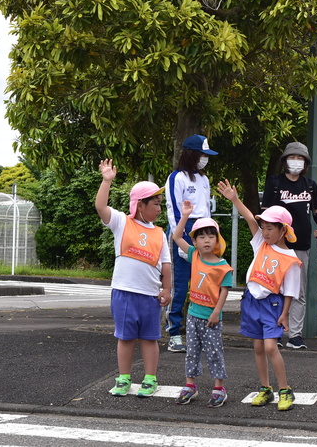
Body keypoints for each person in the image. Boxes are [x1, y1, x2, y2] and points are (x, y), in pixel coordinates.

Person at [217, 179, 300, 411]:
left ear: (283, 230)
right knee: (258, 348)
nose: (264, 231)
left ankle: (285, 390)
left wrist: (284, 315)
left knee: (271, 347)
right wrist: (234, 199)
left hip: (272, 305)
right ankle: (265, 389)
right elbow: (249, 218)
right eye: (263, 227)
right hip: (251, 301)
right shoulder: (260, 243)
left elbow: (291, 292)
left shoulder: (291, 259)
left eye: (270, 228)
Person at [95, 159, 171, 398]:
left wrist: (167, 290)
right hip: (124, 292)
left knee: (150, 339)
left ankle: (150, 379)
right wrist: (107, 181)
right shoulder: (122, 222)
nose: (159, 209)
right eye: (156, 204)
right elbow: (100, 207)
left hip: (150, 295)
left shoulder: (159, 233)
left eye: (161, 204)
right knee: (125, 338)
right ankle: (124, 378)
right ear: (140, 205)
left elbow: (166, 265)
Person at [261, 142, 317, 350]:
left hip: (302, 244)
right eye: (292, 157)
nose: (295, 162)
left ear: (305, 163)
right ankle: (275, 331)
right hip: (278, 246)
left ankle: (295, 335)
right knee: (276, 289)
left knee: (298, 291)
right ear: (285, 160)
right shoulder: (274, 182)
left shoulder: (310, 185)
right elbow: (266, 215)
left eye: (300, 159)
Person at [172, 202, 233, 407]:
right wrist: (185, 215)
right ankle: (190, 385)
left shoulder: (223, 266)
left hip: (211, 318)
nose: (206, 240)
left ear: (217, 239)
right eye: (201, 236)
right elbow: (177, 237)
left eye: (210, 236)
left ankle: (219, 388)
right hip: (192, 314)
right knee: (192, 350)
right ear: (195, 241)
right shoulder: (194, 255)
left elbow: (224, 291)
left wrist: (216, 312)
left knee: (214, 351)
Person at [165, 134, 219, 353]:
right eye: (202, 154)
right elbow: (173, 210)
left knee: (204, 282)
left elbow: (206, 210)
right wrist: (180, 239)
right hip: (183, 230)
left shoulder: (204, 179)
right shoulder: (176, 177)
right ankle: (174, 333)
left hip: (202, 231)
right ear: (191, 154)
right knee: (180, 285)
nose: (205, 159)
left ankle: (202, 329)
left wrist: (211, 234)